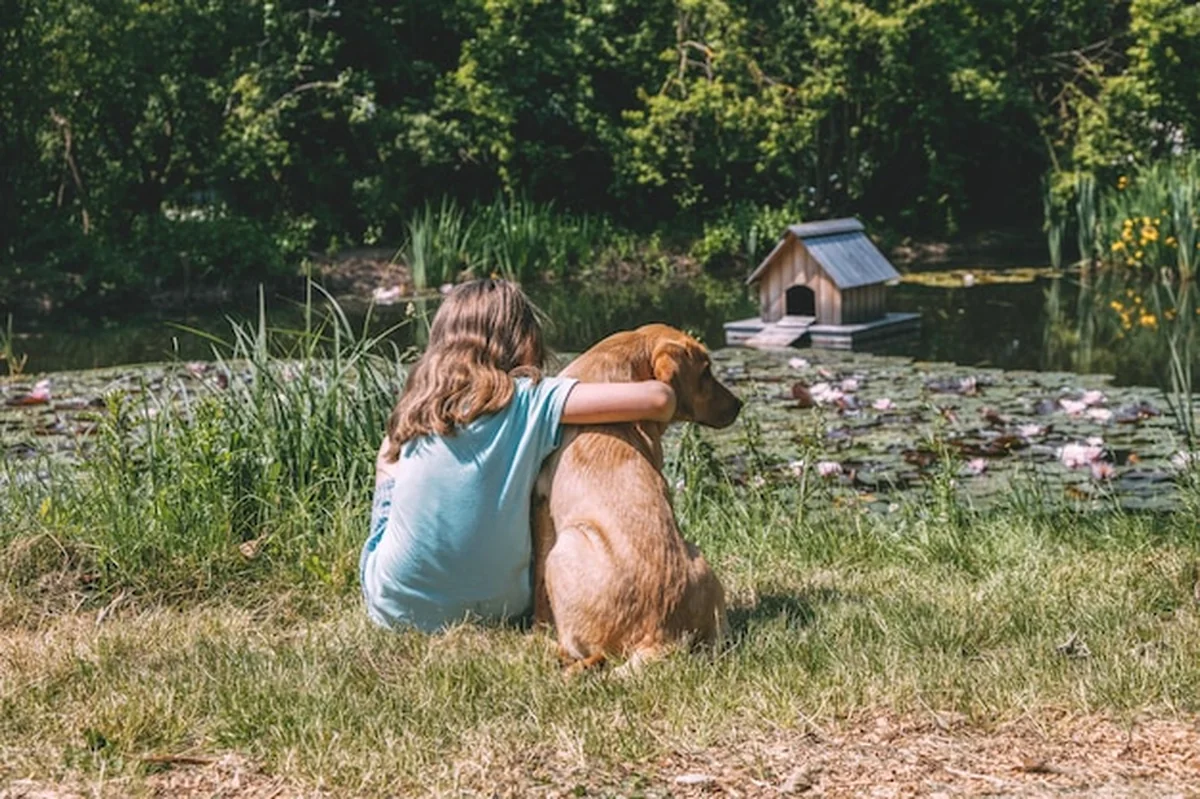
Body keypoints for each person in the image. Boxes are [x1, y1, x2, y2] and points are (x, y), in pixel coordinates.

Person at [361, 278, 676, 632]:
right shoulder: (530, 399)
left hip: (394, 606)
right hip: (504, 607)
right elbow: (658, 399)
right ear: (522, 338)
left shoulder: (421, 403)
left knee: (388, 459)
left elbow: (395, 460)